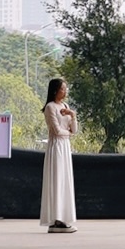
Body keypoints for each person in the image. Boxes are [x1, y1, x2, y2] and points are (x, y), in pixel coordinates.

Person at [40, 77, 78, 234]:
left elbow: (74, 131)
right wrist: (67, 133)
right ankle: (56, 218)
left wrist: (73, 115)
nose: (65, 91)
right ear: (56, 90)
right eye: (63, 88)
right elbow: (56, 130)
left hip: (65, 146)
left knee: (64, 180)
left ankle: (63, 217)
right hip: (56, 147)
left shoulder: (65, 106)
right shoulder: (50, 107)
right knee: (57, 180)